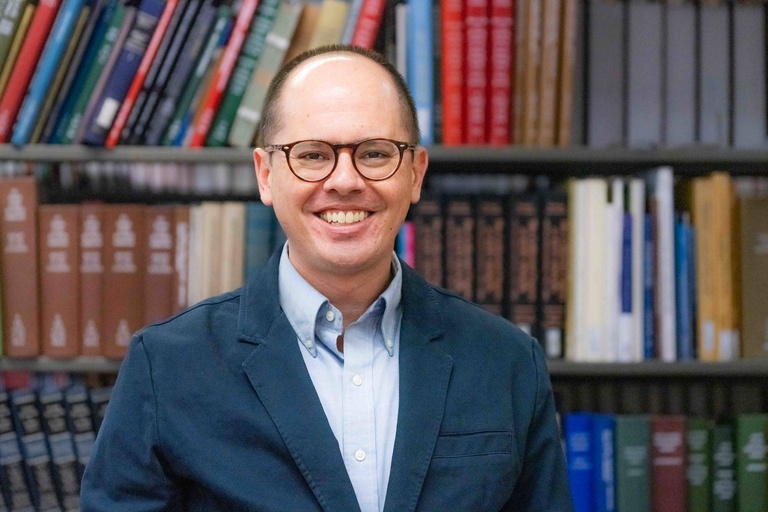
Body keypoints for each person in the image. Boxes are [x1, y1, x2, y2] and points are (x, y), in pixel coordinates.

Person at [80, 44, 573, 511]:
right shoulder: (166, 368)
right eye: (312, 154)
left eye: (376, 153)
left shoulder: (506, 362)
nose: (344, 180)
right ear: (266, 175)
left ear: (416, 174)